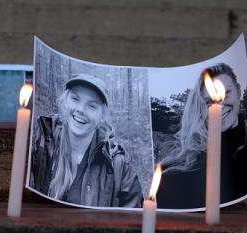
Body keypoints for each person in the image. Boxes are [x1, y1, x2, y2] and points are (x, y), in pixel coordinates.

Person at [30, 74, 143, 208]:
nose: (80, 110)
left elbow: (133, 217)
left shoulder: (118, 164)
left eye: (92, 106)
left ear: (102, 116)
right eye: (75, 99)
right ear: (65, 102)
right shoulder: (40, 139)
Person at [157, 63, 247, 209]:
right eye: (208, 102)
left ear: (238, 91)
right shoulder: (176, 171)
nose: (220, 105)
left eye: (226, 93)